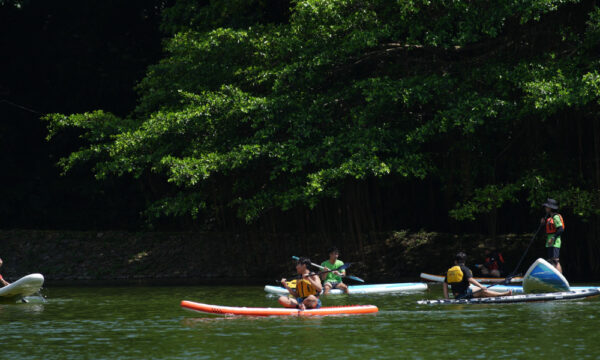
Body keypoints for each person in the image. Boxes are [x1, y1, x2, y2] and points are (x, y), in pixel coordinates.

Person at [443, 252, 512, 300]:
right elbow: (470, 280)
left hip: (457, 296)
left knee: (479, 291)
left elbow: (445, 284)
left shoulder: (449, 271)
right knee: (482, 290)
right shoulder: (465, 269)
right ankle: (503, 295)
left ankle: (495, 295)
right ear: (464, 261)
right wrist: (481, 286)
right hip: (465, 295)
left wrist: (447, 298)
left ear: (455, 261)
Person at [540, 198, 564, 273]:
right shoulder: (549, 218)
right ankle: (552, 276)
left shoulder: (556, 217)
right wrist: (543, 223)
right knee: (550, 260)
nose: (545, 208)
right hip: (549, 241)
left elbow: (560, 229)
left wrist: (553, 238)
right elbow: (549, 229)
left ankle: (560, 277)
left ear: (550, 208)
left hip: (555, 241)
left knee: (555, 260)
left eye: (547, 207)